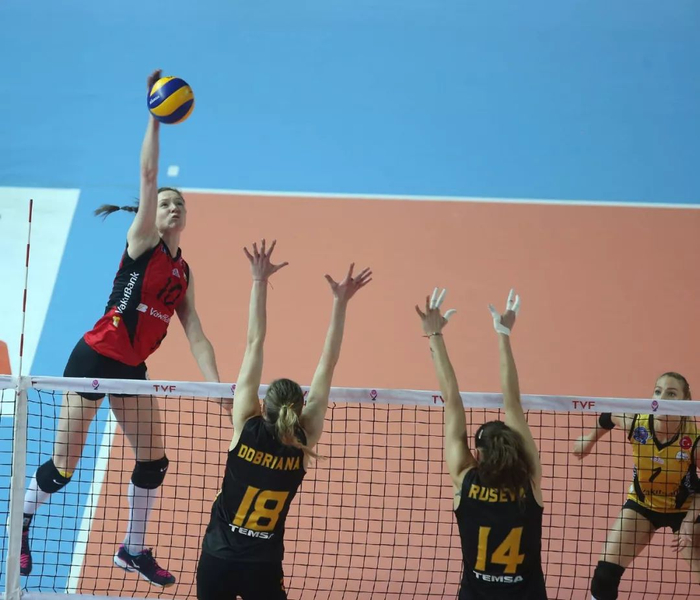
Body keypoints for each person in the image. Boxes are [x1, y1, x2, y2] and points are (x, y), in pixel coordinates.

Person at [21, 69, 221, 587]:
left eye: (180, 204)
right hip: (94, 357)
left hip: (131, 368)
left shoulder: (183, 273)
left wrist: (219, 386)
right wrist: (154, 119)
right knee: (63, 468)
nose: (173, 207)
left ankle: (132, 549)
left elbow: (196, 333)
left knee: (154, 462)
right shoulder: (142, 242)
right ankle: (20, 521)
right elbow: (149, 176)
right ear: (154, 213)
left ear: (186, 218)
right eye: (167, 203)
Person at [197, 239, 371, 600]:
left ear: (263, 405)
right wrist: (340, 303)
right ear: (301, 407)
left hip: (218, 559)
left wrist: (259, 280)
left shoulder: (245, 425)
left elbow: (254, 343)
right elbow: (328, 364)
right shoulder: (304, 439)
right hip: (262, 567)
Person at [416, 288, 547, 599]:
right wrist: (503, 333)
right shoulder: (528, 481)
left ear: (477, 453)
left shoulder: (465, 478)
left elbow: (452, 401)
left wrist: (434, 335)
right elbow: (513, 403)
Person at [574, 372, 700, 598]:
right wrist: (589, 439)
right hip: (643, 505)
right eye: (658, 391)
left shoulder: (694, 439)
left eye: (672, 394)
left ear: (686, 401)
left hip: (685, 508)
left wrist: (690, 522)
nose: (662, 399)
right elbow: (610, 413)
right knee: (604, 576)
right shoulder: (636, 422)